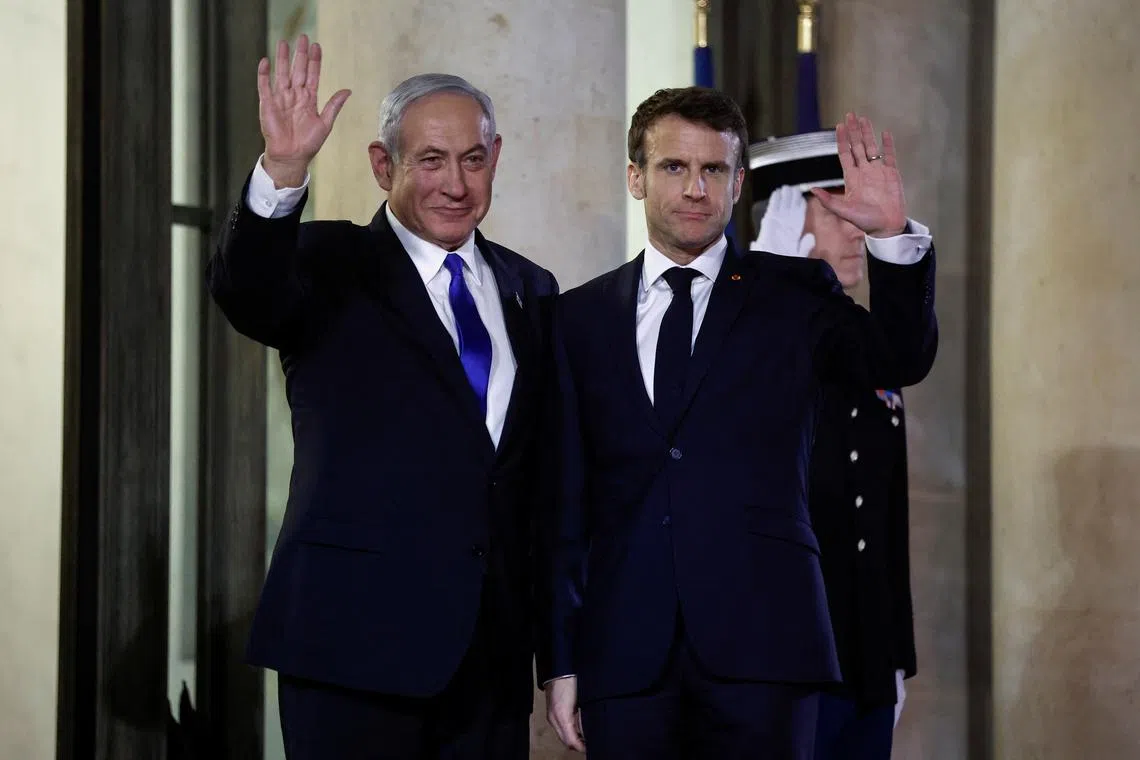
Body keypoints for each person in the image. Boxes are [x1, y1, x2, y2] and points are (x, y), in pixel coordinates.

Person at [539, 87, 937, 759]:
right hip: (626, 657)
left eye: (714, 170)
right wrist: (561, 659)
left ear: (738, 181)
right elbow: (564, 505)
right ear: (636, 177)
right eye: (673, 167)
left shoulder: (795, 293)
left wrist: (890, 238)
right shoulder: (576, 319)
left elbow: (898, 356)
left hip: (767, 652)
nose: (695, 188)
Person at [206, 36, 559, 760]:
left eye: (472, 159)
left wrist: (557, 652)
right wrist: (283, 170)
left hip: (489, 662)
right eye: (430, 160)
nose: (455, 184)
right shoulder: (328, 264)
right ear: (382, 165)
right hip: (351, 655)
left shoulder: (533, 289)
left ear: (495, 158)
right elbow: (249, 293)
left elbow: (537, 484)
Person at [750, 130, 923, 759]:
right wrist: (778, 282)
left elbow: (882, 519)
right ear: (788, 218)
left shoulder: (866, 345)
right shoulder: (751, 340)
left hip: (867, 663)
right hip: (785, 667)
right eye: (841, 214)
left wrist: (895, 658)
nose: (859, 234)